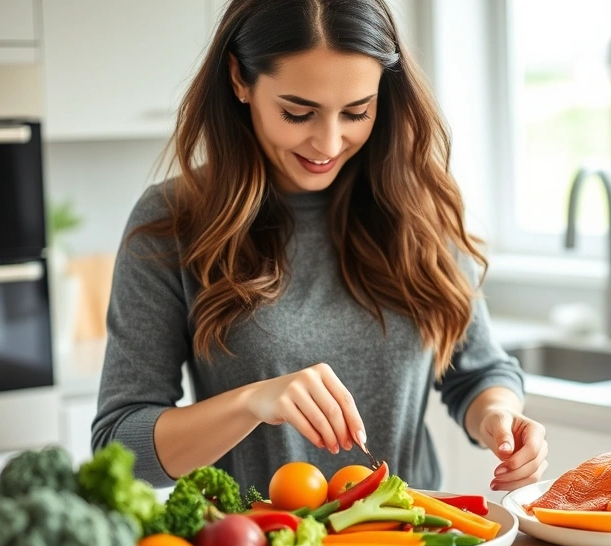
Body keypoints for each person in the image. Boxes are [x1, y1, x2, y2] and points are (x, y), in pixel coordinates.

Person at [92, 0, 548, 495]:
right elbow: (121, 448)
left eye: (357, 112)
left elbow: (478, 372)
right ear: (239, 79)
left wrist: (500, 416)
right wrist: (252, 403)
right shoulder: (173, 220)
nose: (328, 143)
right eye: (297, 112)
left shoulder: (416, 208)